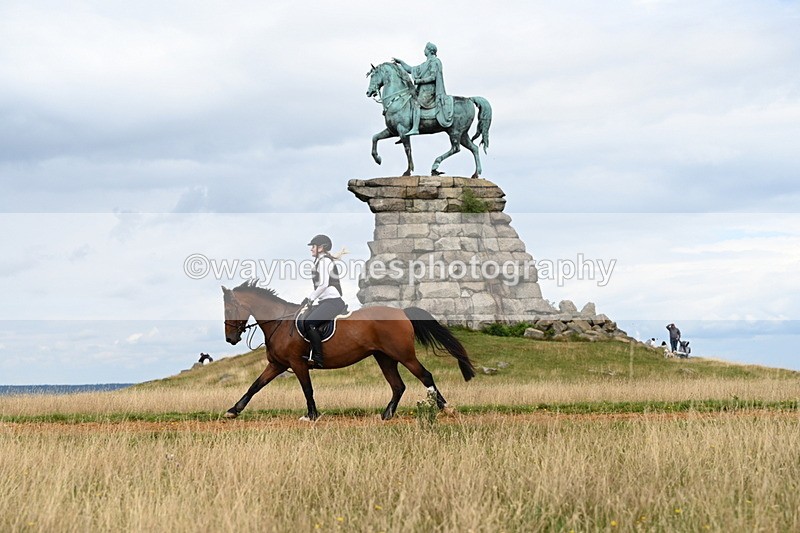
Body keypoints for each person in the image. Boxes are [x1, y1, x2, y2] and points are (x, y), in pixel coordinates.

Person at [300, 234, 347, 368]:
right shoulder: (319, 261)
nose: (311, 249)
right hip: (325, 301)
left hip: (333, 301)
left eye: (313, 246)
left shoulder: (325, 261)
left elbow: (324, 284)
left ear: (321, 248)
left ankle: (318, 358)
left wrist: (310, 299)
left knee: (310, 323)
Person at [392, 42, 450, 139]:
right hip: (422, 90)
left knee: (416, 104)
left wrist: (419, 81)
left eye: (425, 49)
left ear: (430, 50)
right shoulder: (425, 64)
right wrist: (401, 63)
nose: (424, 50)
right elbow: (411, 69)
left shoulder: (435, 62)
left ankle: (415, 128)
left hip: (429, 91)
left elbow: (433, 77)